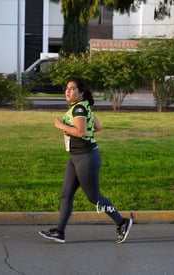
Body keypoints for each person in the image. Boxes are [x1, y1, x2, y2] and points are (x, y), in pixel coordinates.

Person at [39, 77, 132, 244]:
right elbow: (97, 127)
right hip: (76, 157)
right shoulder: (81, 107)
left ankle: (122, 221)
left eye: (73, 89)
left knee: (94, 197)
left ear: (81, 92)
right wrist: (83, 131)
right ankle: (59, 232)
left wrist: (61, 126)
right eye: (67, 88)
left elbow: (80, 132)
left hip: (86, 157)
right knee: (66, 194)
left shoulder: (79, 109)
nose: (68, 91)